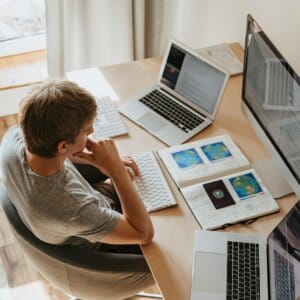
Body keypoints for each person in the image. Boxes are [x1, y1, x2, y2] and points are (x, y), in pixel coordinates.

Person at [0, 80, 155, 297]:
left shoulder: (13, 139)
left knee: (143, 177)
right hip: (106, 248)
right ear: (62, 146)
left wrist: (97, 161)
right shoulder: (72, 208)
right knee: (179, 230)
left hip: (82, 214)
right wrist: (115, 169)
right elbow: (143, 233)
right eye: (87, 132)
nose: (92, 136)